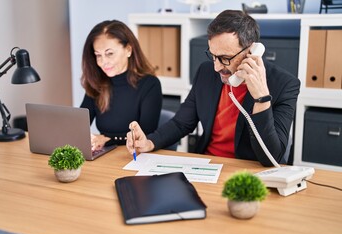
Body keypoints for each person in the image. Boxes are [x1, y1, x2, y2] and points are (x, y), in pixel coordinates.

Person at [126, 10, 300, 167]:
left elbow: (272, 158)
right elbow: (181, 123)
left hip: (248, 173)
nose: (216, 67)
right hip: (207, 165)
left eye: (225, 58)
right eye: (213, 56)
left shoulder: (285, 85)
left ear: (251, 51)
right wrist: (149, 142)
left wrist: (261, 97)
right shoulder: (205, 72)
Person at [80, 20, 162, 151]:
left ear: (128, 50)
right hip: (105, 155)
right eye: (98, 55)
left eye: (109, 53)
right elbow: (80, 125)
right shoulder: (97, 83)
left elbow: (145, 136)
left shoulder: (150, 84)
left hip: (134, 155)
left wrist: (106, 139)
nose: (103, 62)